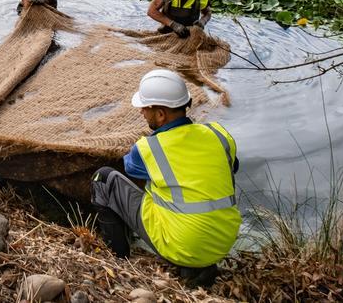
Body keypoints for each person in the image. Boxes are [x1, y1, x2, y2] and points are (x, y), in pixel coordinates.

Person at [90, 69, 240, 288]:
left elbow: (130, 168)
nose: (141, 112)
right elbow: (231, 167)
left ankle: (118, 259)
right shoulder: (218, 133)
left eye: (145, 108)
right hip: (223, 241)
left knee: (102, 179)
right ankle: (199, 264)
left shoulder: (148, 148)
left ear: (161, 114)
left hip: (183, 245)